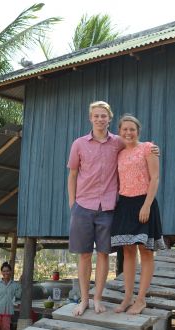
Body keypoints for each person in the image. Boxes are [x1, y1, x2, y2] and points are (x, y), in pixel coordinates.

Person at [67, 101, 159, 316]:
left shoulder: (121, 143)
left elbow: (140, 149)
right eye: (96, 116)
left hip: (110, 206)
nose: (100, 119)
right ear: (90, 118)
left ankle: (100, 298)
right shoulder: (79, 144)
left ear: (109, 119)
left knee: (105, 253)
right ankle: (85, 299)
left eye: (104, 116)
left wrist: (152, 147)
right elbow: (72, 175)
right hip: (87, 205)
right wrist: (73, 203)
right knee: (85, 255)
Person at [111, 114, 166, 315]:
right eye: (124, 129)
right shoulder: (119, 153)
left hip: (144, 202)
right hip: (124, 203)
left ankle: (141, 299)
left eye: (132, 129)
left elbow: (155, 178)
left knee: (146, 251)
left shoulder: (148, 148)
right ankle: (127, 297)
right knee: (127, 251)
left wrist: (147, 205)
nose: (128, 132)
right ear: (119, 132)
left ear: (138, 131)